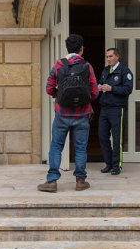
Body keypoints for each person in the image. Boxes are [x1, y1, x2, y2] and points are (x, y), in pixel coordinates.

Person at [38, 33, 98, 193]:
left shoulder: (58, 65)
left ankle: (51, 181)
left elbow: (49, 88)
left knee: (56, 147)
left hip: (62, 114)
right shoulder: (87, 66)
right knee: (80, 148)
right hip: (82, 116)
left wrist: (59, 96)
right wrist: (84, 101)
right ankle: (80, 181)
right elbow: (94, 91)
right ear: (81, 49)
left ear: (67, 48)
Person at [97, 47, 133, 175]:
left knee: (117, 138)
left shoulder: (125, 71)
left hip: (117, 109)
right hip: (105, 108)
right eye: (107, 57)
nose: (108, 59)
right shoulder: (105, 70)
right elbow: (101, 83)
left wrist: (112, 88)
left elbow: (127, 90)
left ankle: (116, 166)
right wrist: (99, 87)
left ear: (117, 56)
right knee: (102, 136)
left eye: (111, 56)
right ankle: (109, 163)